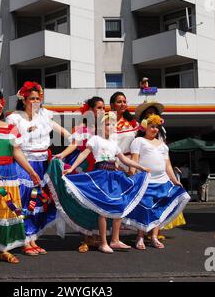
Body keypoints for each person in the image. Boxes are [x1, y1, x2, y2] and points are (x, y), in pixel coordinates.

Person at [62, 112, 151, 254]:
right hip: (101, 175)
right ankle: (103, 242)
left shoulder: (113, 143)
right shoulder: (96, 139)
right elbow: (84, 153)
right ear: (100, 126)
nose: (111, 127)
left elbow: (124, 159)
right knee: (103, 210)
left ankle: (115, 240)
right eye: (108, 124)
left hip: (113, 175)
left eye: (113, 124)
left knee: (120, 205)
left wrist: (140, 167)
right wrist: (72, 168)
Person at [0, 90, 41, 264]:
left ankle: (3, 248)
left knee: (7, 211)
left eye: (0, 102)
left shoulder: (10, 127)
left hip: (9, 174)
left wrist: (31, 172)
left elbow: (16, 152)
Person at [6, 81, 71, 256]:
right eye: (31, 98)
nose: (35, 101)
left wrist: (65, 151)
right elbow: (13, 146)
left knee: (39, 202)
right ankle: (25, 239)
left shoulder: (45, 115)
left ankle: (32, 237)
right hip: (24, 164)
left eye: (38, 98)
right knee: (25, 201)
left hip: (43, 164)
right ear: (24, 99)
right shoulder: (14, 118)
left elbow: (69, 135)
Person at [123, 114, 191, 250]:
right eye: (152, 126)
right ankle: (140, 237)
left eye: (156, 127)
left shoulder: (163, 146)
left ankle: (154, 236)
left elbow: (168, 166)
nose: (154, 129)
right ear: (145, 127)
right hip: (145, 181)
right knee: (145, 208)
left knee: (158, 209)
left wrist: (174, 180)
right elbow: (134, 160)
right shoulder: (139, 141)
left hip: (163, 181)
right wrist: (132, 176)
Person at [51, 97, 105, 253]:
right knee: (83, 201)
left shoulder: (104, 127)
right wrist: (61, 154)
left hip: (99, 166)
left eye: (103, 108)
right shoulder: (82, 127)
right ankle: (85, 237)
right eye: (99, 108)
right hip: (83, 166)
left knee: (97, 202)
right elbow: (74, 145)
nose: (102, 111)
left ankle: (96, 236)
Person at [109, 92, 139, 173]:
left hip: (130, 166)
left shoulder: (134, 124)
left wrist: (132, 169)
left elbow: (138, 148)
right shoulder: (104, 123)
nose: (123, 104)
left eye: (124, 102)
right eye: (119, 102)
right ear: (112, 105)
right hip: (110, 165)